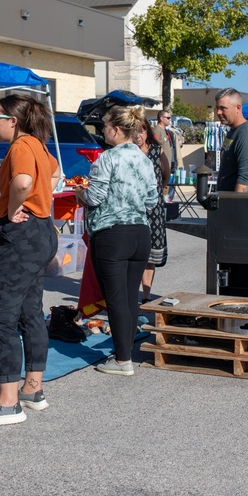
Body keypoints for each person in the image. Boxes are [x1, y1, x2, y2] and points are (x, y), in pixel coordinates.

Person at [0, 94, 60, 426]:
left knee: (2, 317)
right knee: (30, 312)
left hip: (22, 239)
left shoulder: (22, 146)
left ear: (13, 121)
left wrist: (11, 208)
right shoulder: (37, 144)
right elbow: (53, 172)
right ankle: (32, 389)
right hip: (40, 234)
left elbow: (23, 181)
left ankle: (8, 403)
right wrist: (37, 202)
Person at [75, 106, 158, 376]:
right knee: (129, 297)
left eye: (105, 126)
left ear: (117, 129)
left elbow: (95, 197)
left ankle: (123, 360)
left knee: (116, 298)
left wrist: (79, 193)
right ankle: (125, 353)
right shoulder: (144, 159)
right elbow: (152, 201)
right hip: (139, 232)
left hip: (112, 233)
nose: (102, 130)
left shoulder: (106, 159)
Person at [134, 118, 170, 303]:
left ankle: (146, 296)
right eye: (134, 131)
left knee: (150, 255)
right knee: (133, 253)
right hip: (133, 208)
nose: (138, 135)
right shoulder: (129, 152)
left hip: (154, 208)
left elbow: (166, 173)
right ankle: (132, 293)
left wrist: (159, 191)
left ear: (147, 131)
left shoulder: (157, 151)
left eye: (141, 131)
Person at [214, 88, 248, 193]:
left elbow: (244, 182)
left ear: (238, 108)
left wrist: (235, 206)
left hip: (242, 206)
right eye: (217, 108)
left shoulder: (245, 137)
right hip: (227, 203)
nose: (218, 112)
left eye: (223, 108)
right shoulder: (233, 132)